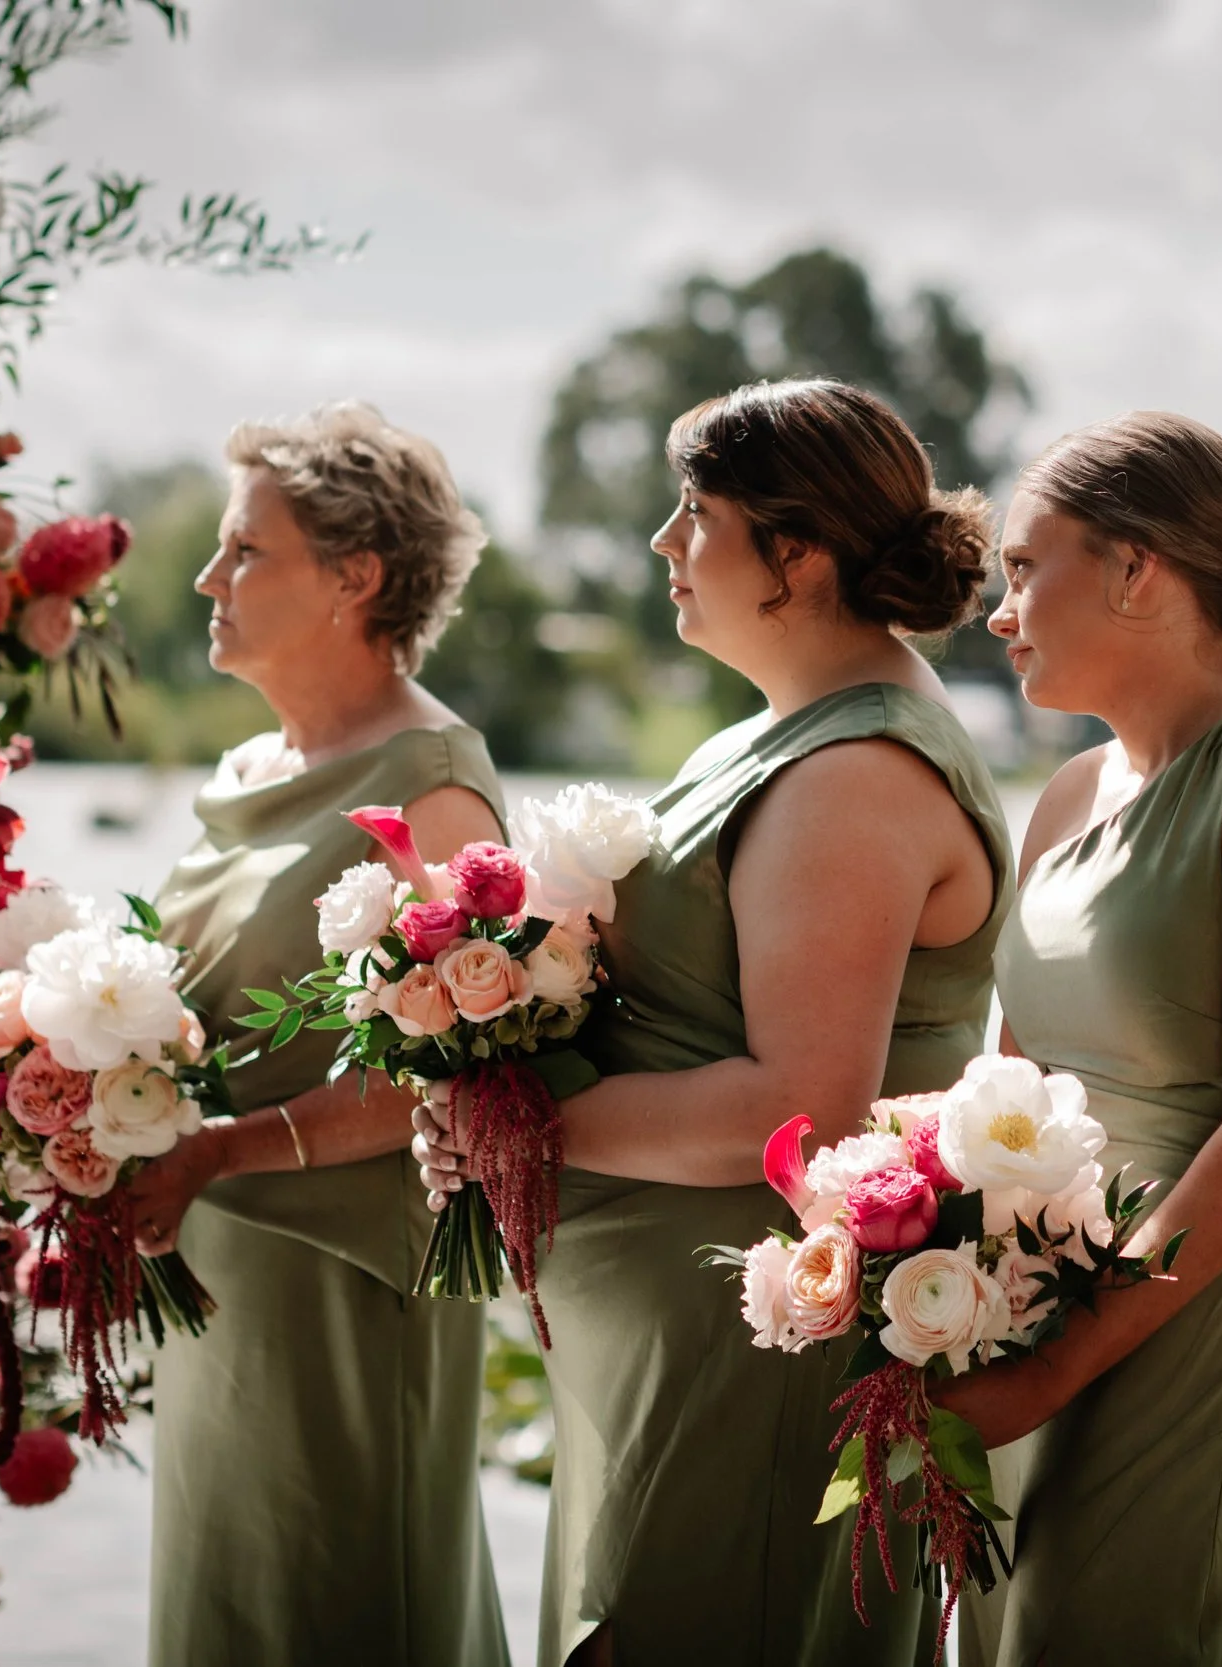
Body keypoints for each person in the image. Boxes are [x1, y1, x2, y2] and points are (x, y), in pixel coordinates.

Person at [417, 378, 1011, 1666]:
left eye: (695, 512)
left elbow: (789, 1108)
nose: (661, 542)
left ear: (794, 553)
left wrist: (517, 1126)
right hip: (668, 1352)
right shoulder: (772, 738)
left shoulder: (854, 774)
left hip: (746, 1367)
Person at [935, 412, 1222, 1665]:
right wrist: (933, 1308)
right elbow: (1004, 1093)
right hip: (1012, 1319)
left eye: (1028, 567)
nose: (999, 607)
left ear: (1137, 569)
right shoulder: (1071, 792)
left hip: (1171, 1324)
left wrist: (1052, 1369)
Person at [126, 404, 510, 1667]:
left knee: (340, 1613)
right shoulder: (242, 770)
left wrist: (225, 1149)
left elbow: (451, 1075)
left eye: (246, 550)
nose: (206, 577)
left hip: (345, 1291)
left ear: (357, 576)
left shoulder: (434, 786)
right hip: (211, 1270)